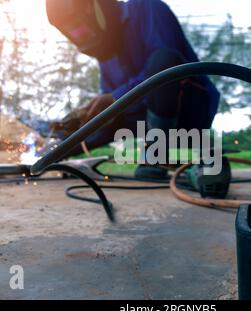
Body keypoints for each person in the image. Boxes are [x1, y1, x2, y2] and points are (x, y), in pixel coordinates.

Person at [46, 0, 220, 179]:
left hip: (192, 108)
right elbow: (111, 105)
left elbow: (168, 69)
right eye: (72, 31)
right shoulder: (105, 50)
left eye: (79, 26)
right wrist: (91, 118)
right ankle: (50, 154)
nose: (80, 34)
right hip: (144, 117)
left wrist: (115, 98)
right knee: (103, 118)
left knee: (163, 62)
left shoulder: (147, 8)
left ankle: (156, 154)